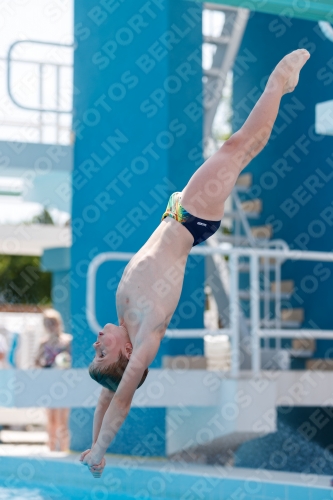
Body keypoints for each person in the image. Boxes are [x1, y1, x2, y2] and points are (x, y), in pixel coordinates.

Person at [80, 49, 310, 477]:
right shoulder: (147, 333)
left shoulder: (125, 319)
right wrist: (103, 449)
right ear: (127, 354)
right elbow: (123, 394)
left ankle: (281, 86)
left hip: (179, 213)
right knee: (238, 145)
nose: (95, 341)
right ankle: (279, 80)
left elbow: (106, 393)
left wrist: (95, 443)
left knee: (242, 147)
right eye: (100, 351)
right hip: (192, 217)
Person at [35, 308, 72, 452]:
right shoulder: (43, 343)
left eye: (53, 322)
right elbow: (36, 362)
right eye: (47, 323)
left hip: (64, 384)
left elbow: (71, 361)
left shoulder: (67, 341)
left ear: (58, 323)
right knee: (51, 420)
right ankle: (51, 448)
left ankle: (64, 449)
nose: (50, 325)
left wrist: (63, 362)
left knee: (63, 420)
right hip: (49, 383)